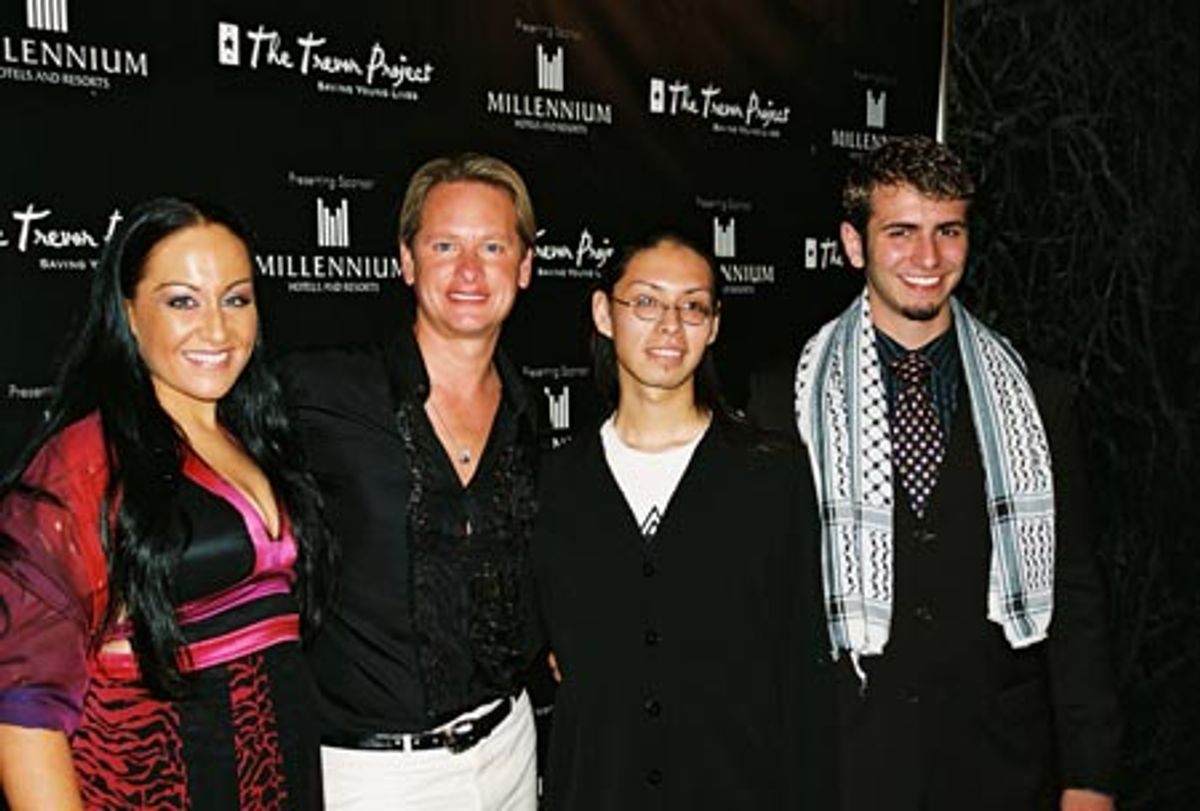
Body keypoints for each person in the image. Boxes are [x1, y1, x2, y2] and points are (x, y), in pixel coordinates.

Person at [750, 135, 1121, 810]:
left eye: (948, 230)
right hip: (843, 767)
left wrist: (1090, 776)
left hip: (1001, 770)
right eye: (901, 231)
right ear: (853, 244)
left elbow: (1075, 594)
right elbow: (757, 602)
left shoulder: (1039, 395)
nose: (928, 258)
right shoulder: (783, 400)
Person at [0, 197, 336, 809]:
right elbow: (28, 716)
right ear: (128, 313)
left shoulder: (258, 437)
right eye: (182, 301)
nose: (217, 329)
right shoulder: (84, 464)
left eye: (236, 299)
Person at [530, 231, 834, 809]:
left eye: (693, 306)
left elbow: (803, 681)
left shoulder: (772, 476)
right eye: (645, 301)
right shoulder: (557, 484)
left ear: (714, 325)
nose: (670, 325)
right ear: (603, 312)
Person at [277, 153, 541, 810]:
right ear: (406, 260)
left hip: (510, 746)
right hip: (375, 776)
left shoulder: (525, 406)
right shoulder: (321, 391)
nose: (470, 270)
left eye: (493, 246)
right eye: (445, 245)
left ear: (526, 266)